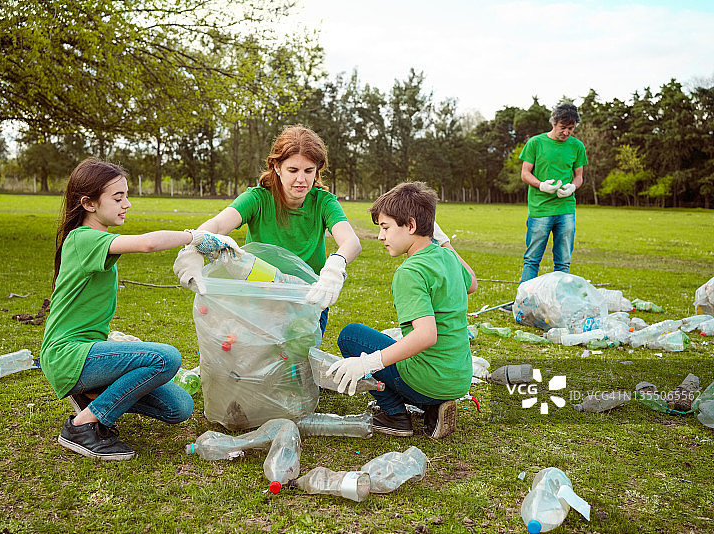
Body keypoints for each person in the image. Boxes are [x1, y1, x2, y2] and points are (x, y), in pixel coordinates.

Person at [41, 157, 233, 461]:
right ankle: (83, 426)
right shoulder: (82, 238)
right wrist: (195, 237)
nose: (126, 204)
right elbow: (147, 244)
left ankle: (91, 395)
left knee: (179, 406)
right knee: (166, 358)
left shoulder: (96, 239)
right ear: (88, 204)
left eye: (126, 196)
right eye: (118, 198)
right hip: (68, 355)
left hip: (90, 352)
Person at [173, 125, 362, 333]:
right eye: (293, 170)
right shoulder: (258, 198)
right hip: (259, 300)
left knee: (298, 364)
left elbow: (351, 242)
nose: (301, 179)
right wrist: (196, 245)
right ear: (277, 167)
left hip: (307, 301)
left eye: (309, 171)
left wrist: (335, 267)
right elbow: (218, 224)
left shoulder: (324, 202)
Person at [328, 182, 477, 439]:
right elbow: (472, 283)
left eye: (386, 228)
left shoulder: (410, 271)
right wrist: (443, 241)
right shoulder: (448, 256)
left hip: (428, 380)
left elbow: (426, 336)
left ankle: (394, 414)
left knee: (351, 336)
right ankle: (432, 407)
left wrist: (367, 363)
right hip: (459, 380)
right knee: (395, 344)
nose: (380, 236)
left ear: (410, 225)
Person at [518, 102, 588, 284]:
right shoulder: (535, 143)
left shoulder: (577, 146)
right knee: (532, 259)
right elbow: (525, 174)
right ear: (554, 123)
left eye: (570, 129)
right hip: (540, 209)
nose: (566, 132)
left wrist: (572, 187)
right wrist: (541, 185)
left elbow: (579, 176)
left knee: (563, 262)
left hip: (565, 209)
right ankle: (525, 301)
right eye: (563, 127)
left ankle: (559, 302)